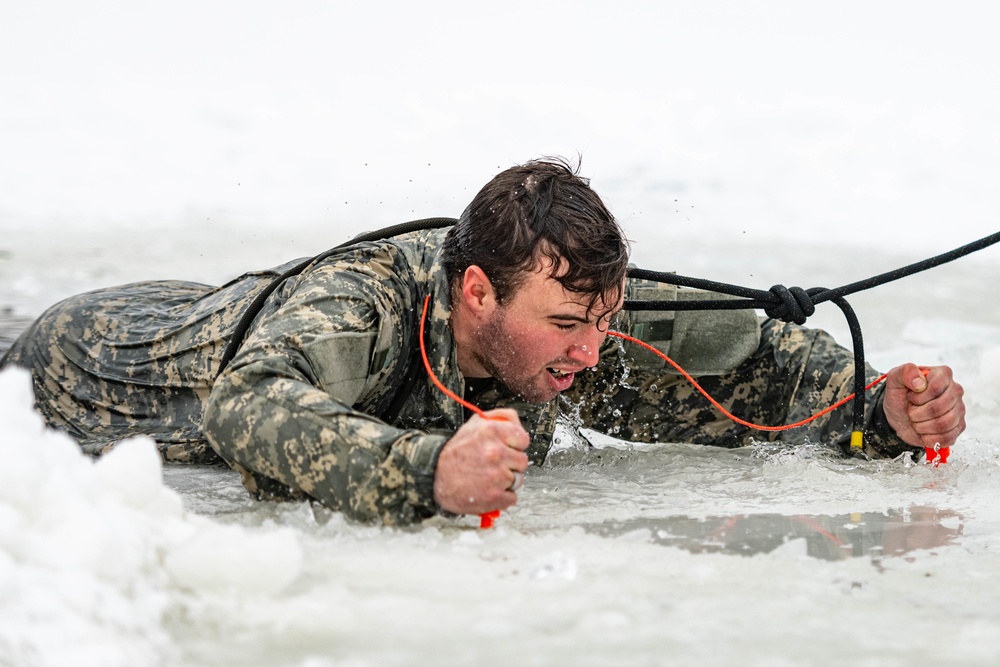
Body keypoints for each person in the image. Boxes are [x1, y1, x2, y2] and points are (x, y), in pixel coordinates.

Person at [0, 158, 966, 525]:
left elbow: (745, 369)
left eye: (601, 321)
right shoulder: (363, 310)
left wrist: (877, 406)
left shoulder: (564, 320)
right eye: (564, 325)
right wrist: (426, 474)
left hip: (204, 307)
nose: (590, 351)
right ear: (476, 290)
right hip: (85, 361)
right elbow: (246, 406)